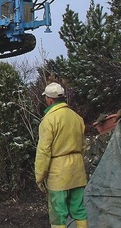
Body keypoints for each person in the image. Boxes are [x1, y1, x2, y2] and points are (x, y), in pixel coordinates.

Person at [35, 82, 88, 228]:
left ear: (49, 100)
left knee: (58, 215)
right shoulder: (77, 118)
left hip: (59, 174)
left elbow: (44, 151)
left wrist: (40, 176)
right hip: (77, 171)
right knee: (79, 210)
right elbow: (83, 146)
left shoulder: (49, 120)